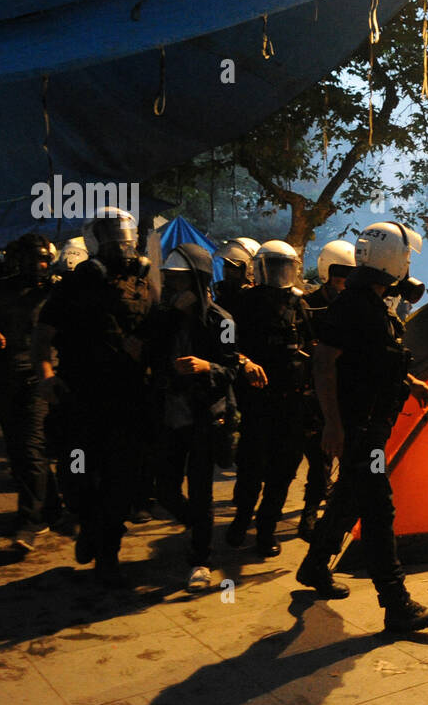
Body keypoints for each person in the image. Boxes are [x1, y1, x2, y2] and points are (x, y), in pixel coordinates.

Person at [295, 222, 428, 633]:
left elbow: (373, 358)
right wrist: (332, 425)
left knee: (349, 500)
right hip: (358, 428)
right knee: (379, 509)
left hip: (370, 425)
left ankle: (313, 566)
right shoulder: (354, 305)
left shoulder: (372, 301)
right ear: (392, 258)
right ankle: (397, 604)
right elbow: (324, 362)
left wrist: (409, 381)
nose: (410, 262)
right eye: (406, 255)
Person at [34, 206, 154, 588]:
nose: (120, 241)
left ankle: (108, 555)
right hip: (81, 402)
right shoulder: (75, 285)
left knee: (121, 482)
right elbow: (43, 335)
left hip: (127, 403)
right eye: (111, 232)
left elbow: (159, 333)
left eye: (124, 232)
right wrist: (47, 376)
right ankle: (86, 524)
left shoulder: (143, 285)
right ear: (94, 238)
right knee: (77, 474)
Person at [147, 243, 239, 591]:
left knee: (201, 490)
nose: (174, 288)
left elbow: (231, 368)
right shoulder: (163, 318)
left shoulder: (222, 320)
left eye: (182, 282)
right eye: (170, 281)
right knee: (166, 488)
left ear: (198, 281)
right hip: (171, 415)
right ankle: (197, 525)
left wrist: (207, 367)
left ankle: (201, 559)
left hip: (204, 416)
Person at [226, 240, 318, 557]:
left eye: (284, 266)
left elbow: (314, 346)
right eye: (274, 266)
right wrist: (244, 362)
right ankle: (241, 519)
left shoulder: (300, 305)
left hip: (292, 402)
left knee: (284, 470)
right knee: (252, 467)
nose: (280, 273)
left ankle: (266, 528)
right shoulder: (243, 304)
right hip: (257, 401)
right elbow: (226, 347)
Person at [0, 233, 60, 550]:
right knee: (18, 451)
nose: (40, 266)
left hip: (38, 378)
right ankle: (52, 506)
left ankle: (31, 521)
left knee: (32, 448)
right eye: (34, 260)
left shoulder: (56, 292)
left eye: (44, 259)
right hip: (5, 376)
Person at [295, 239, 356, 541]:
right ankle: (308, 514)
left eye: (349, 273)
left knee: (346, 463)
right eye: (339, 273)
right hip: (315, 392)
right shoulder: (307, 305)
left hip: (346, 391)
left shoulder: (356, 306)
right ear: (327, 272)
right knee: (320, 462)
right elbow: (304, 347)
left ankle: (336, 515)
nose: (343, 280)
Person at [212, 237, 259, 316]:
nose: (228, 271)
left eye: (234, 267)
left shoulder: (256, 302)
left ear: (250, 268)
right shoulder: (222, 295)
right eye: (226, 264)